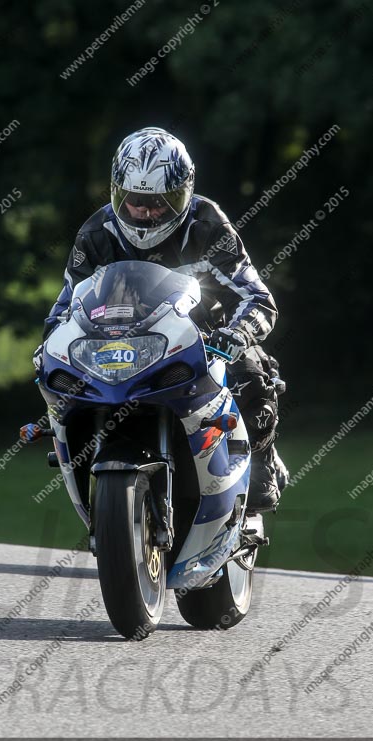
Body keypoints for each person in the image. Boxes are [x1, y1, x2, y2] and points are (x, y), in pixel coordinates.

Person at [36, 127, 288, 512]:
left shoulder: (208, 225)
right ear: (116, 192)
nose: (147, 213)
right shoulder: (96, 233)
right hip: (117, 343)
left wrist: (236, 333)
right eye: (136, 201)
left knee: (253, 372)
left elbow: (258, 298)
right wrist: (49, 346)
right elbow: (64, 306)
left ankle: (262, 460)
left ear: (185, 193)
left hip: (200, 339)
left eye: (161, 202)